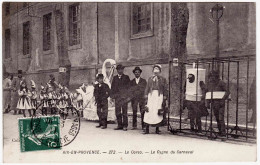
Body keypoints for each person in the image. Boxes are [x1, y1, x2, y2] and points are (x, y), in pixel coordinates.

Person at [200, 70, 230, 136]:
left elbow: (227, 91)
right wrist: (207, 102)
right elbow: (207, 93)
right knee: (217, 118)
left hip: (220, 103)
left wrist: (223, 99)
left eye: (213, 76)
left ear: (216, 76)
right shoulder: (210, 84)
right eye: (211, 76)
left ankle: (223, 132)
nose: (212, 78)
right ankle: (220, 131)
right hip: (214, 103)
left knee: (220, 118)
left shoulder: (221, 83)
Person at [143, 64, 168, 134]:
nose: (156, 71)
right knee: (149, 110)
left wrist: (165, 96)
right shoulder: (150, 78)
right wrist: (145, 95)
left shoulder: (163, 79)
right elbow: (147, 87)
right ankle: (147, 128)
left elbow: (165, 88)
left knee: (157, 110)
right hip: (151, 96)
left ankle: (157, 128)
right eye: (155, 70)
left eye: (157, 70)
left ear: (160, 71)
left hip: (159, 96)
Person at [111, 64, 130, 131]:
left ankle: (125, 125)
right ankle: (119, 125)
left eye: (121, 69)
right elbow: (112, 88)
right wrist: (112, 97)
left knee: (124, 112)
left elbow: (129, 88)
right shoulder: (115, 78)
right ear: (117, 70)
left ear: (123, 70)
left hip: (124, 98)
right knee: (118, 112)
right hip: (117, 98)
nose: (120, 71)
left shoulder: (126, 77)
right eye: (119, 69)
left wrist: (128, 97)